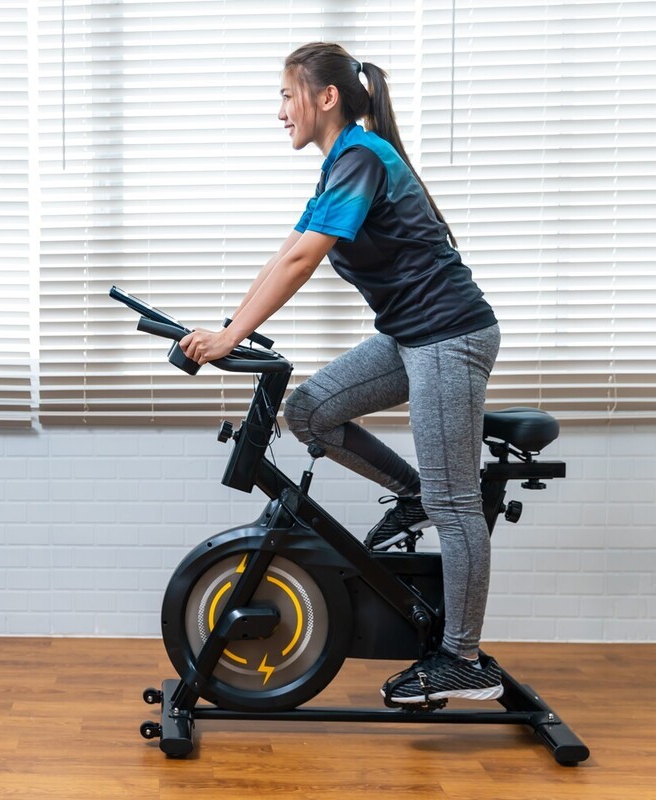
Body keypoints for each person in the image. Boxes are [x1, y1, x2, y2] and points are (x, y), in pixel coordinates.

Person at [179, 42, 503, 706]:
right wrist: (227, 330)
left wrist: (231, 336)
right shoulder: (337, 170)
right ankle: (410, 494)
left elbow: (303, 265)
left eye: (285, 95)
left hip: (449, 335)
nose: (280, 113)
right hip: (409, 335)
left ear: (326, 97)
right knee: (309, 412)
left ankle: (463, 660)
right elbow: (287, 254)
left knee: (455, 503)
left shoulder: (359, 156)